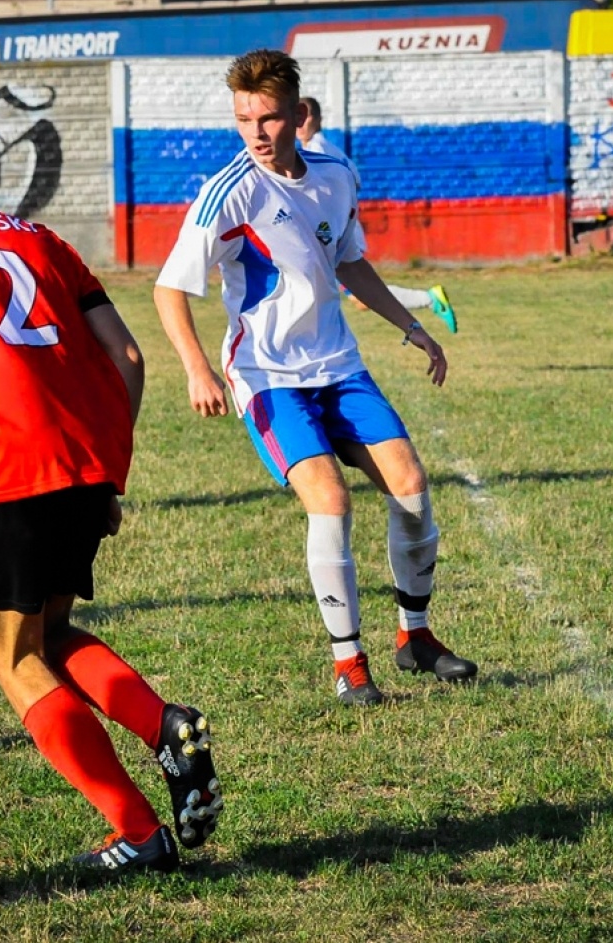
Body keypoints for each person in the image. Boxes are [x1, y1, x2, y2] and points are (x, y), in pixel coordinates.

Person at [0, 104, 222, 875]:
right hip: (82, 461)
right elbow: (128, 356)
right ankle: (165, 723)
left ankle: (137, 827)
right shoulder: (40, 238)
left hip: (0, 473)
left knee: (13, 657)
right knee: (50, 635)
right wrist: (108, 475)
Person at [155, 50, 478, 707]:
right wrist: (196, 368)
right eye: (243, 118)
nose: (255, 132)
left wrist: (409, 326)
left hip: (339, 365)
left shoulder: (336, 173)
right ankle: (348, 663)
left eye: (268, 117)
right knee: (331, 500)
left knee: (412, 486)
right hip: (268, 376)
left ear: (298, 115)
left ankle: (414, 637)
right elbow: (168, 288)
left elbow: (351, 262)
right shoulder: (230, 190)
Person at [296, 95, 458, 335]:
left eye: (304, 116)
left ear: (315, 118)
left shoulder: (318, 150)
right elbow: (356, 180)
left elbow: (337, 187)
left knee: (354, 292)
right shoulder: (327, 147)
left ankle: (431, 299)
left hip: (337, 231)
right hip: (341, 228)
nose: (298, 124)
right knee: (356, 297)